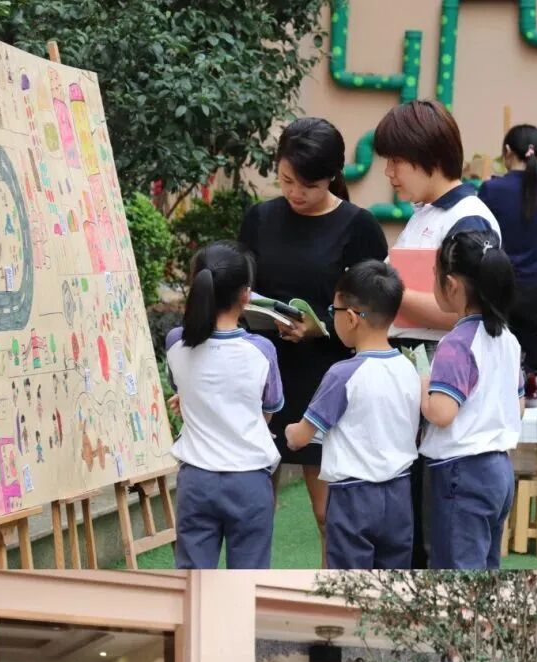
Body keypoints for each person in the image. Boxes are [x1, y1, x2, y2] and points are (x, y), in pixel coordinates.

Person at [239, 118, 389, 561]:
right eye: (286, 180)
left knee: (328, 513)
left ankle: (333, 588)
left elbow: (373, 308)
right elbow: (242, 287)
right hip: (263, 373)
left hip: (327, 377)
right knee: (254, 510)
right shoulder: (260, 219)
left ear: (331, 176)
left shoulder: (359, 227)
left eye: (308, 184)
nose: (295, 193)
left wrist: (319, 326)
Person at [372, 98, 500, 565]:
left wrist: (387, 292)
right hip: (419, 379)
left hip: (441, 382)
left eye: (397, 161)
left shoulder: (468, 219)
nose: (389, 173)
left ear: (429, 156)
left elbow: (467, 310)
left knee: (433, 535)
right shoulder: (424, 213)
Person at [285, 259, 420, 568]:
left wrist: (290, 431)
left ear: (351, 318)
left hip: (352, 496)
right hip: (400, 492)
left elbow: (301, 437)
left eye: (333, 311)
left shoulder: (342, 374)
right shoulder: (408, 367)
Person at [165, 241, 283, 569]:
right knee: (247, 581)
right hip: (249, 481)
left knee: (193, 582)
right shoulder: (262, 349)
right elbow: (268, 410)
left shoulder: (176, 342)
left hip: (196, 481)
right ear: (246, 295)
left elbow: (185, 387)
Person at [420, 230, 523, 570]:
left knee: (456, 572)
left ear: (451, 285)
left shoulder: (456, 343)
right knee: (485, 570)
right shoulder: (508, 339)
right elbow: (518, 407)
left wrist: (421, 380)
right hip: (499, 470)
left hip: (460, 472)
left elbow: (441, 412)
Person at [478, 124, 537, 377]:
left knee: (493, 361)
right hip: (534, 287)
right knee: (531, 360)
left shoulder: (491, 190)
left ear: (507, 151)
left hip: (497, 286)